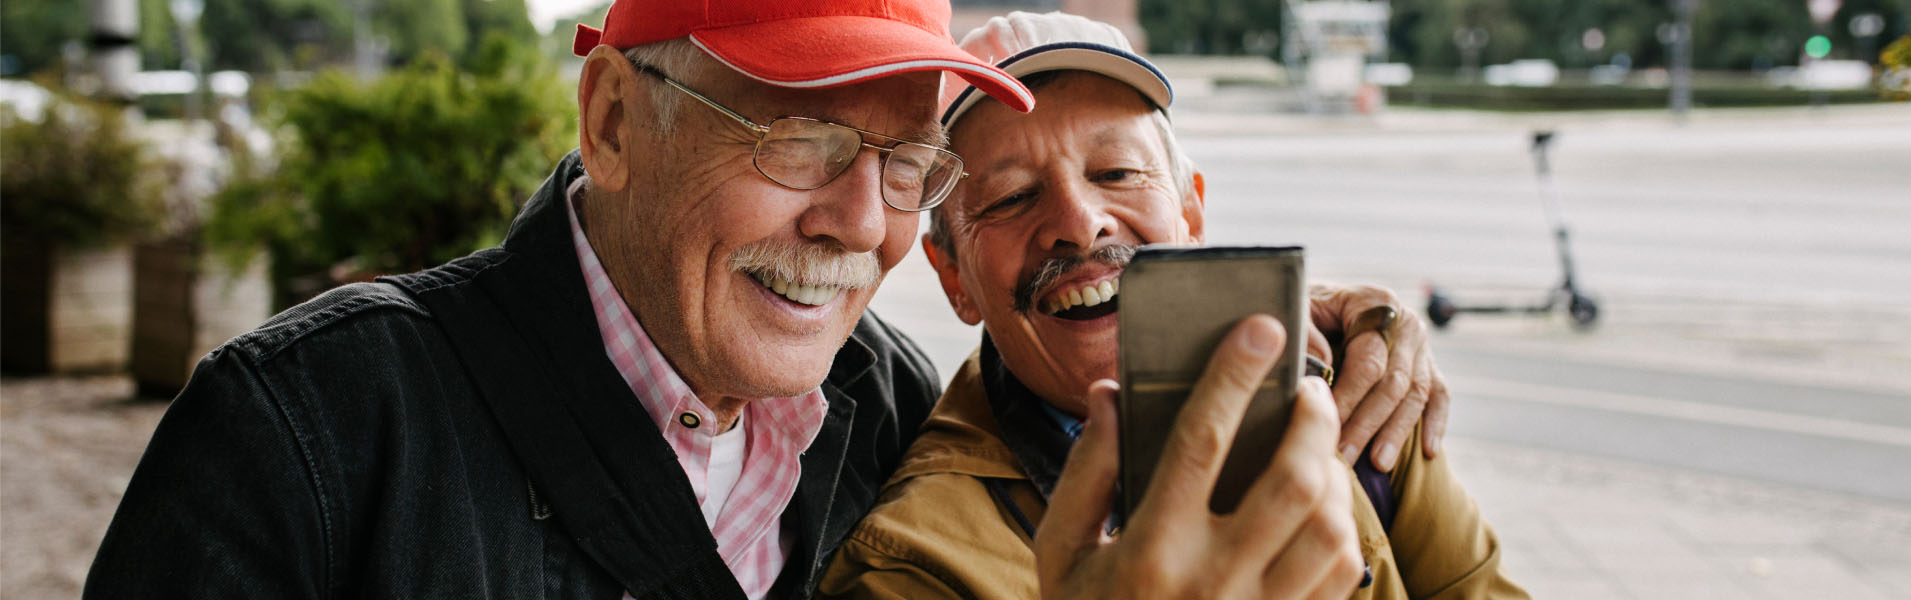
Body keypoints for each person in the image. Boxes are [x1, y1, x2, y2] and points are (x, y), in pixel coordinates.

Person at [85, 1, 1440, 598]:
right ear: (613, 117)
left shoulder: (897, 414)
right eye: (795, 134)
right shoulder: (307, 439)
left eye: (909, 159)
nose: (861, 221)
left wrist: (1329, 333)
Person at [819, 12, 1529, 599]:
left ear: (1191, 214)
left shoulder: (1351, 389)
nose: (1080, 220)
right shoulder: (913, 566)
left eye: (1117, 172)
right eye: (1011, 197)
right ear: (954, 279)